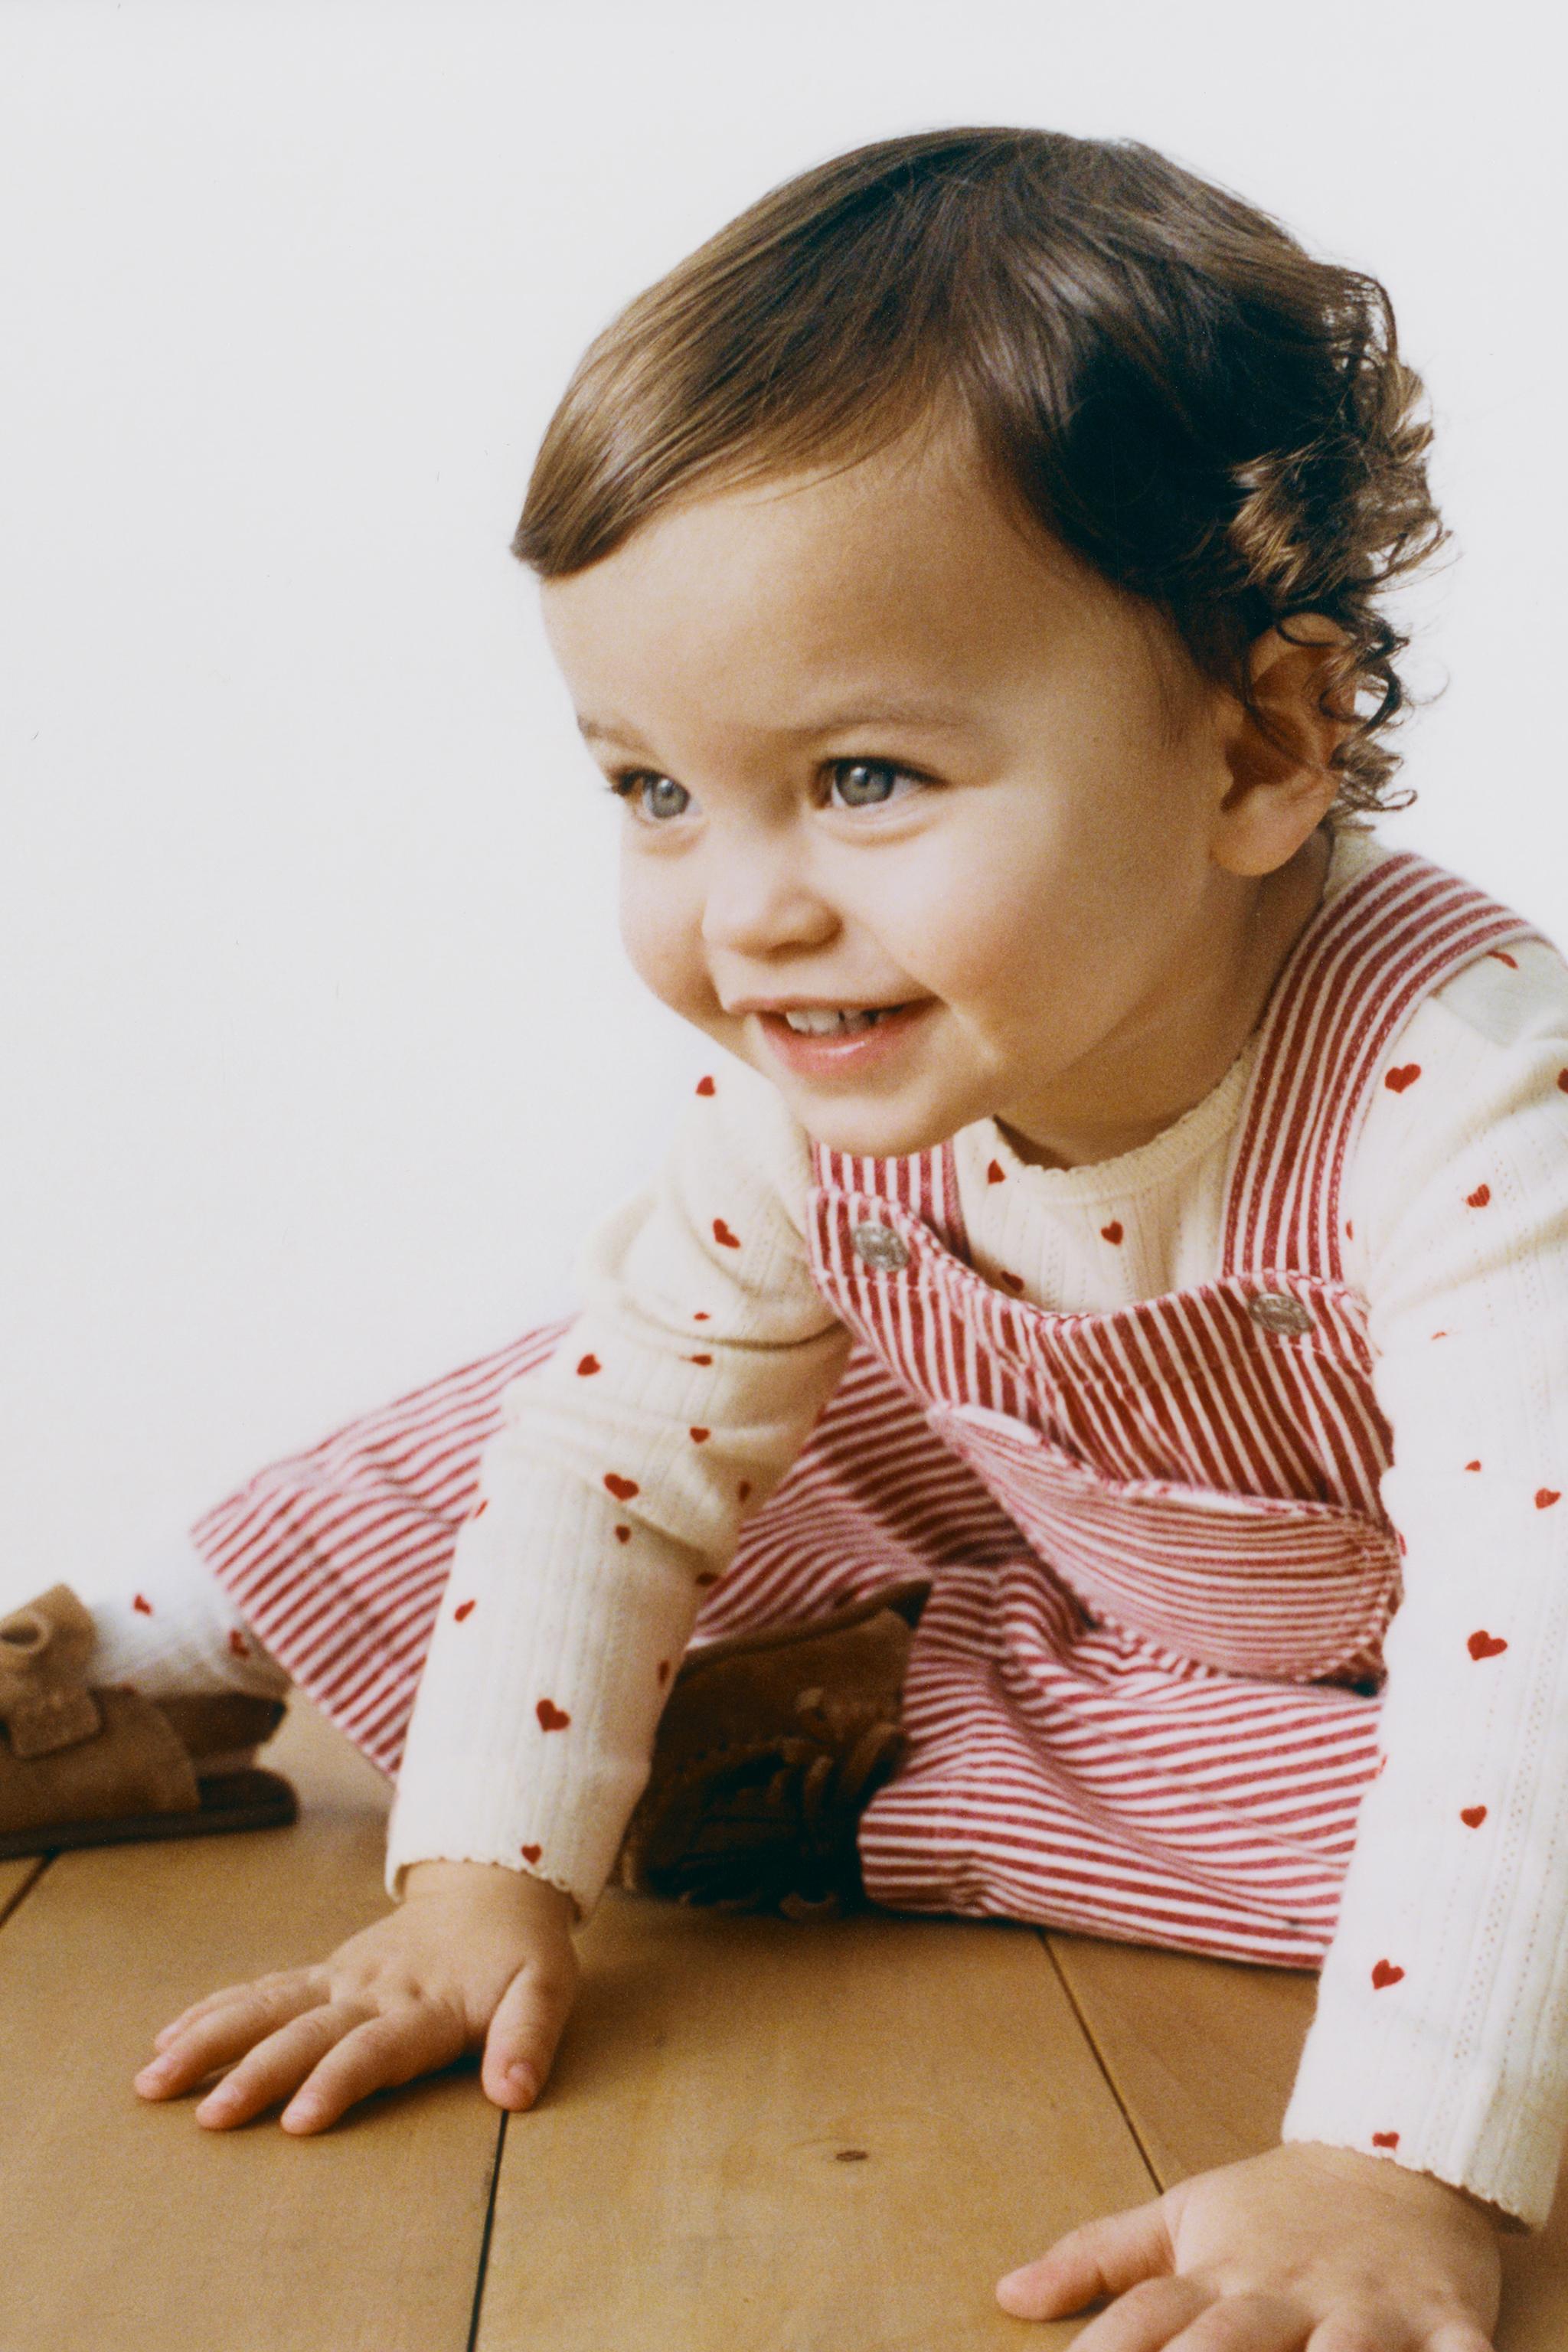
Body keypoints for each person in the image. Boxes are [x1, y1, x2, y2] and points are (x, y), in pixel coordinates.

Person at [5, 125, 1563, 2344]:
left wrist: (1389, 2162)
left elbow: (1532, 1651)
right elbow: (612, 1464)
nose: (745, 913)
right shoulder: (827, 1080)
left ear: (1260, 744)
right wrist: (474, 1879)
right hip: (1075, 1482)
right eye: (653, 788)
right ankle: (129, 1661)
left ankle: (861, 1743)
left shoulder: (1474, 1092)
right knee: (576, 1392)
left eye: (861, 781)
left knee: (1480, 1850)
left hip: (1409, 1629)